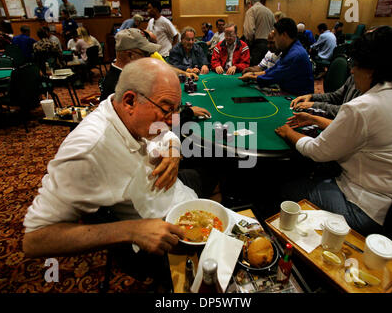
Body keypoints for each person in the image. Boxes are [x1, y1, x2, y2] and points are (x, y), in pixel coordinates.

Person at [23, 57, 199, 258]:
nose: (172, 120)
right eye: (167, 109)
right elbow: (34, 240)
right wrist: (132, 230)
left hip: (175, 193)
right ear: (129, 101)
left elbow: (168, 134)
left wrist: (174, 149)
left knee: (217, 172)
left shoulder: (132, 113)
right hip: (161, 235)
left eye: (176, 109)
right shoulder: (87, 150)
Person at [274, 26, 392, 236]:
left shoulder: (364, 106)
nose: (353, 70)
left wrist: (287, 132)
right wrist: (313, 117)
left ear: (373, 69)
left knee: (286, 189)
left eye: (356, 65)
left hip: (366, 210)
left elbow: (317, 152)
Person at [100, 28, 210, 121]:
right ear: (130, 55)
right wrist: (188, 113)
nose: (149, 58)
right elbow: (151, 121)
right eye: (146, 54)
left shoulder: (128, 73)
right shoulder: (117, 85)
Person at [239, 18, 314, 96]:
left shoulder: (295, 54)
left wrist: (251, 77)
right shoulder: (291, 49)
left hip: (298, 98)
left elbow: (273, 76)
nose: (274, 39)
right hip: (290, 93)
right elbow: (273, 70)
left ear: (284, 35)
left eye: (275, 35)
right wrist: (253, 73)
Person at [290, 75, 361, 118]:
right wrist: (311, 97)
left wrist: (314, 105)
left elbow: (346, 113)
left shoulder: (369, 95)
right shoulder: (353, 77)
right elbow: (335, 96)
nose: (352, 70)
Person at [243, 0, 275, 66]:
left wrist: (249, 42)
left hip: (257, 45)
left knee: (254, 69)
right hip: (269, 45)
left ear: (250, 3)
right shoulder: (270, 11)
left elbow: (249, 30)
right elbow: (274, 29)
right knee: (265, 68)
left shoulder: (251, 10)